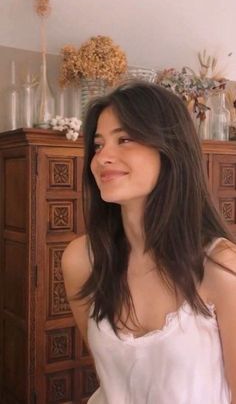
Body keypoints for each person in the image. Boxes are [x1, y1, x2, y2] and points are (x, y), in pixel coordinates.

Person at [62, 81, 236, 404]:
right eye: (98, 145)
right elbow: (115, 379)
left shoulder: (220, 266)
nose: (102, 158)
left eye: (124, 139)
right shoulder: (82, 261)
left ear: (170, 149)